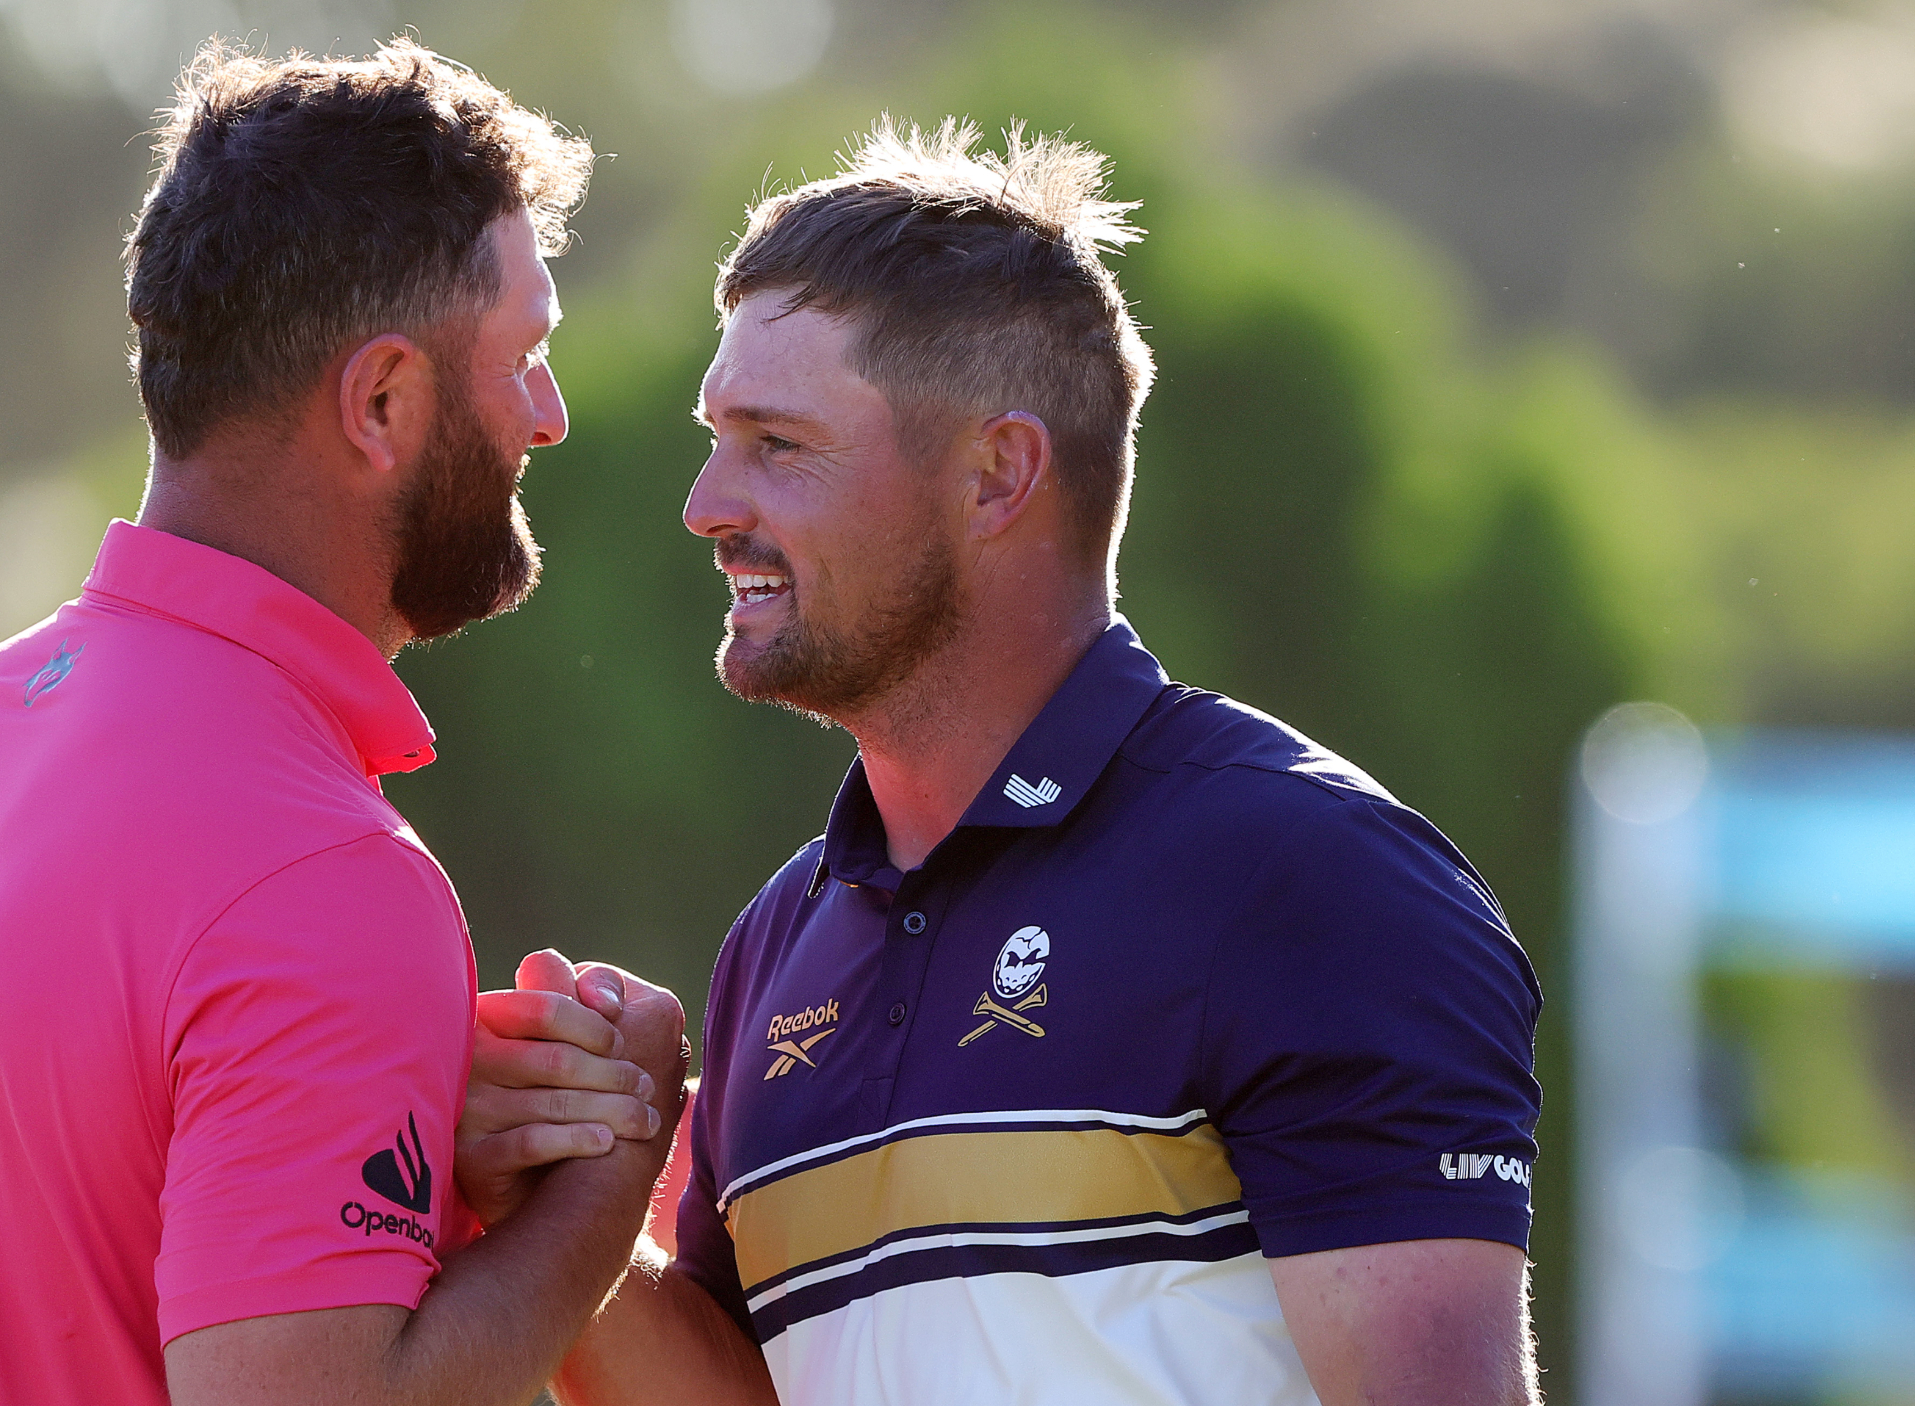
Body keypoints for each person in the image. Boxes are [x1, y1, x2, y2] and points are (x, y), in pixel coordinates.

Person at [473, 122, 1545, 1406]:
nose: (707, 501)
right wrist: (568, 1197)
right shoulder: (778, 938)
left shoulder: (1308, 873)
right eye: (717, 435)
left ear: (996, 474)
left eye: (778, 443)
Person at [0, 41, 686, 1406]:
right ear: (380, 403)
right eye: (526, 357)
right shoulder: (320, 871)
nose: (547, 416)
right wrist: (607, 1181)